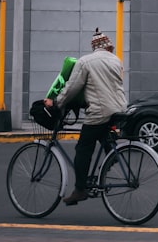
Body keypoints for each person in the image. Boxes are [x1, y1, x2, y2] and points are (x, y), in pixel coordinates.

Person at [45, 28, 127, 205]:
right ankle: (110, 153)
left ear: (94, 47)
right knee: (103, 133)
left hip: (99, 111)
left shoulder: (85, 62)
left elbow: (72, 87)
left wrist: (57, 102)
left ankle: (80, 189)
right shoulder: (116, 60)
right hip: (119, 108)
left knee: (83, 148)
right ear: (108, 47)